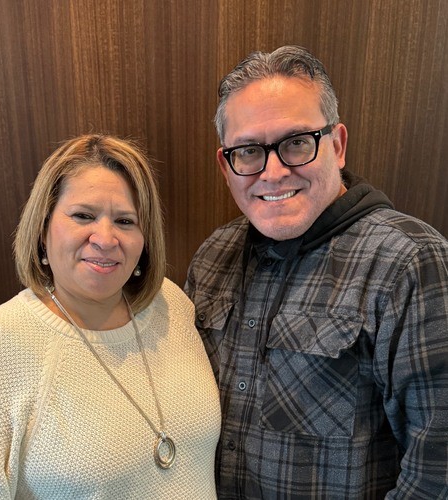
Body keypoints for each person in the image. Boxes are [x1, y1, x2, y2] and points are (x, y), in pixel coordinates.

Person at [185, 45, 448, 499]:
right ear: (226, 165)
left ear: (337, 145)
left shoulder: (409, 262)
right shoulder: (213, 256)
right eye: (248, 151)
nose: (272, 172)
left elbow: (436, 469)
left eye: (296, 143)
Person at [0, 134, 221, 498]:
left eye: (125, 221)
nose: (105, 239)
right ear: (43, 229)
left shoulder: (171, 305)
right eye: (83, 216)